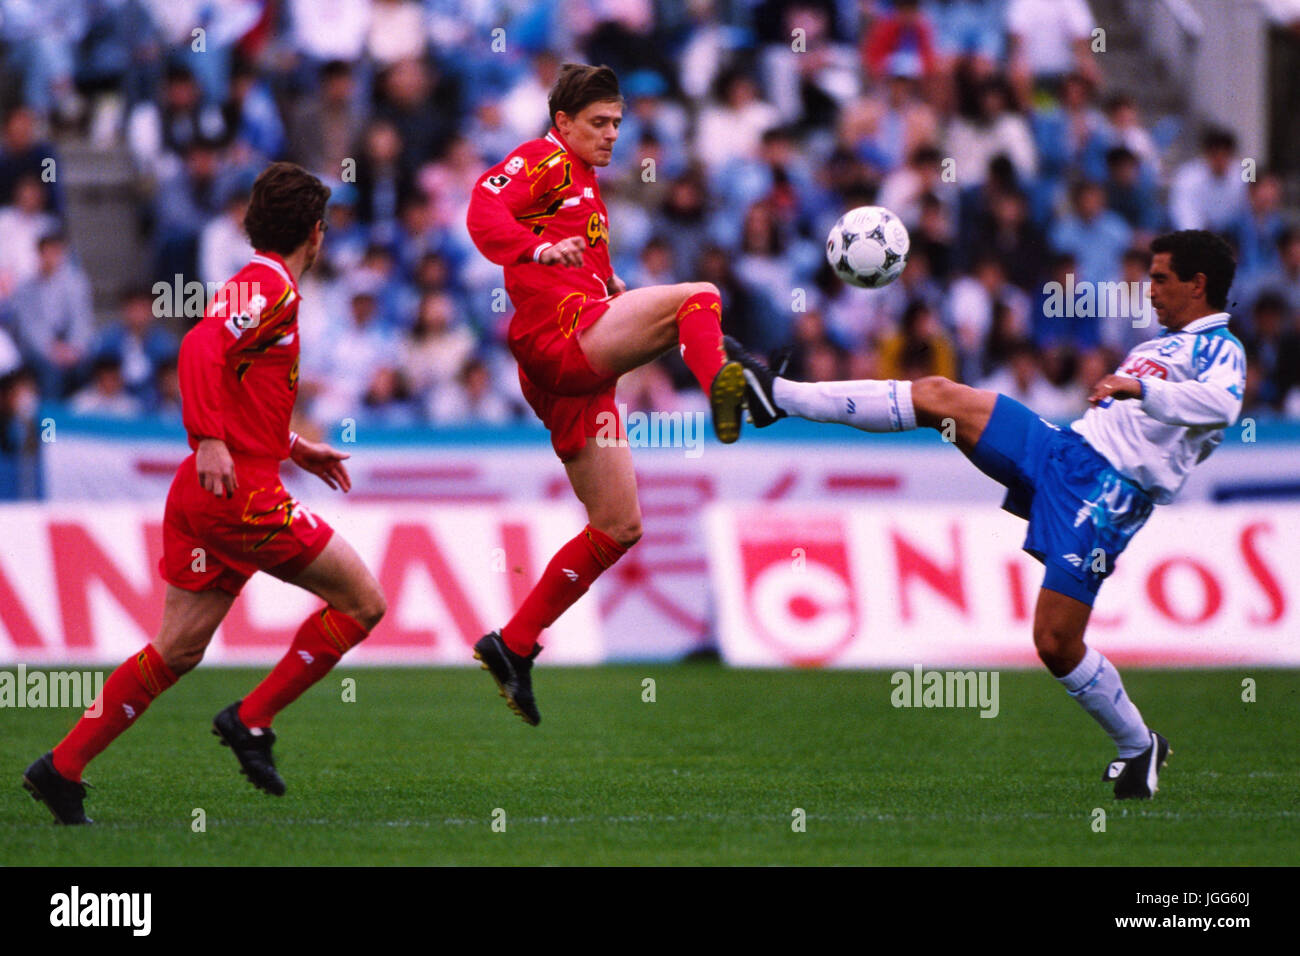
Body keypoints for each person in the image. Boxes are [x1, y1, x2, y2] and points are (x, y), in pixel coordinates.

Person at [726, 230, 1246, 800]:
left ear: (1198, 285)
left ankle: (1138, 743)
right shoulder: (1162, 343)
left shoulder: (1219, 347)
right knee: (939, 395)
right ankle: (777, 396)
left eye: (1161, 279)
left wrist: (1137, 388)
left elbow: (1222, 405)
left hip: (1106, 497)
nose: (1148, 290)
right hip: (1063, 450)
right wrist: (1134, 386)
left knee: (1055, 642)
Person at [22, 163, 386, 824]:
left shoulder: (262, 287)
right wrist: (210, 437)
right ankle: (251, 719)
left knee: (178, 650)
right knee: (363, 603)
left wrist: (295, 447)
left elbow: (238, 378)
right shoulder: (269, 285)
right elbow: (198, 347)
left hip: (202, 494)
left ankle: (60, 768)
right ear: (316, 233)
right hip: (239, 496)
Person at [465, 63, 746, 726]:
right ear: (562, 122)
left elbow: (572, 252)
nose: (611, 134)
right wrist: (534, 251)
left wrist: (604, 281)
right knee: (699, 298)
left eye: (618, 122)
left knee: (619, 526)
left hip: (571, 367)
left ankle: (512, 645)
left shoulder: (584, 185)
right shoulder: (545, 158)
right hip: (561, 339)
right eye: (598, 122)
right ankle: (726, 388)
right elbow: (482, 206)